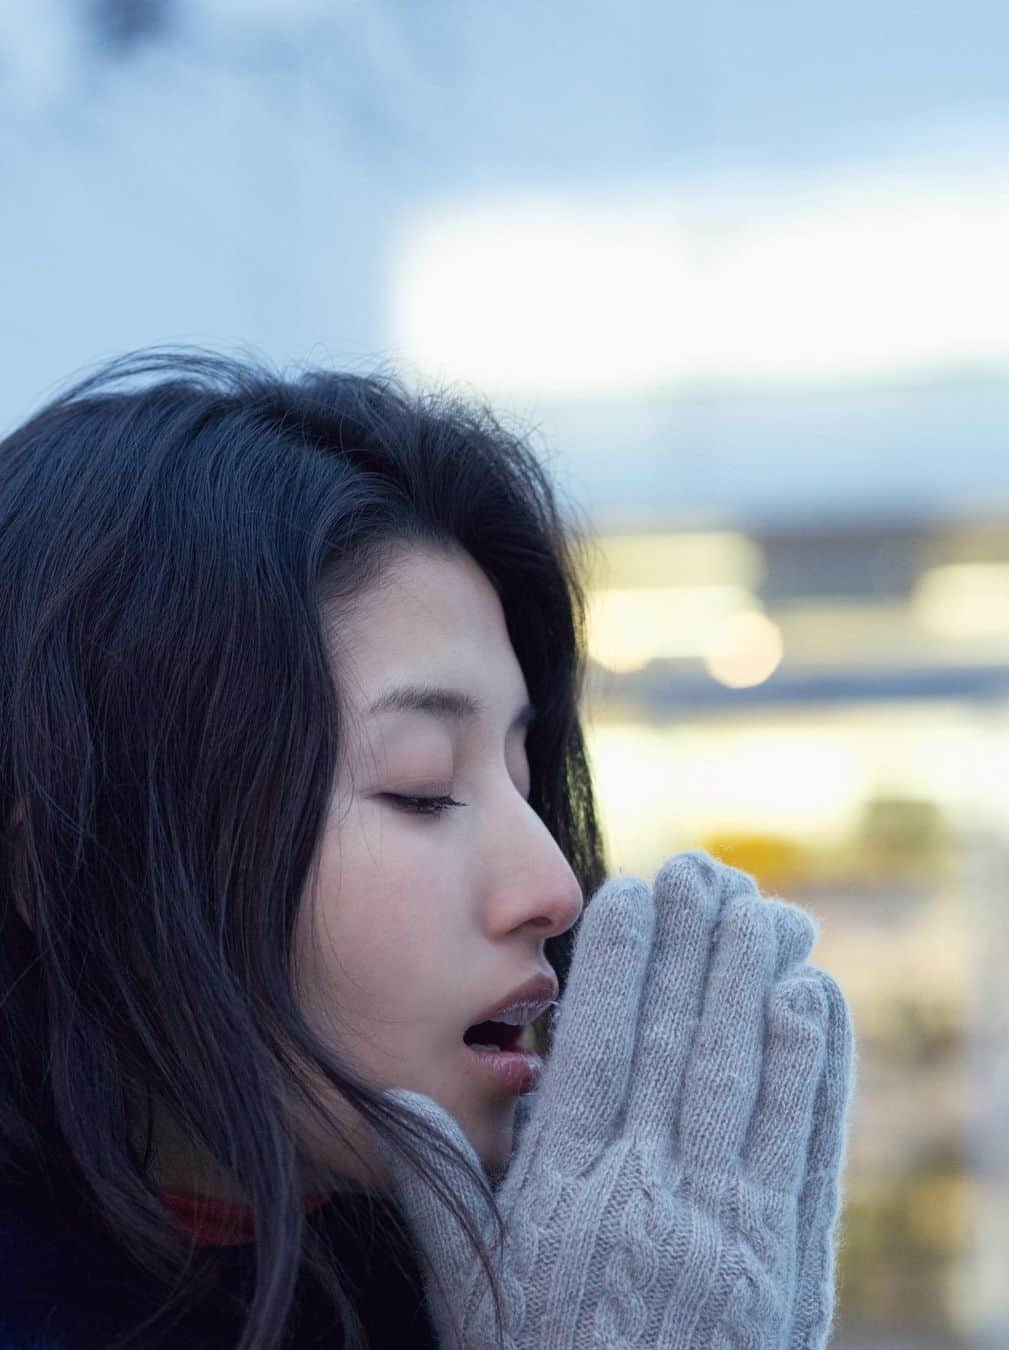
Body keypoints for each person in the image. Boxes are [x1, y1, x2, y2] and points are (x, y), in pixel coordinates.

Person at [0, 351, 855, 1349]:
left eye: (527, 785)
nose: (553, 888)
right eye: (419, 787)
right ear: (66, 866)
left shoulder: (496, 1282)